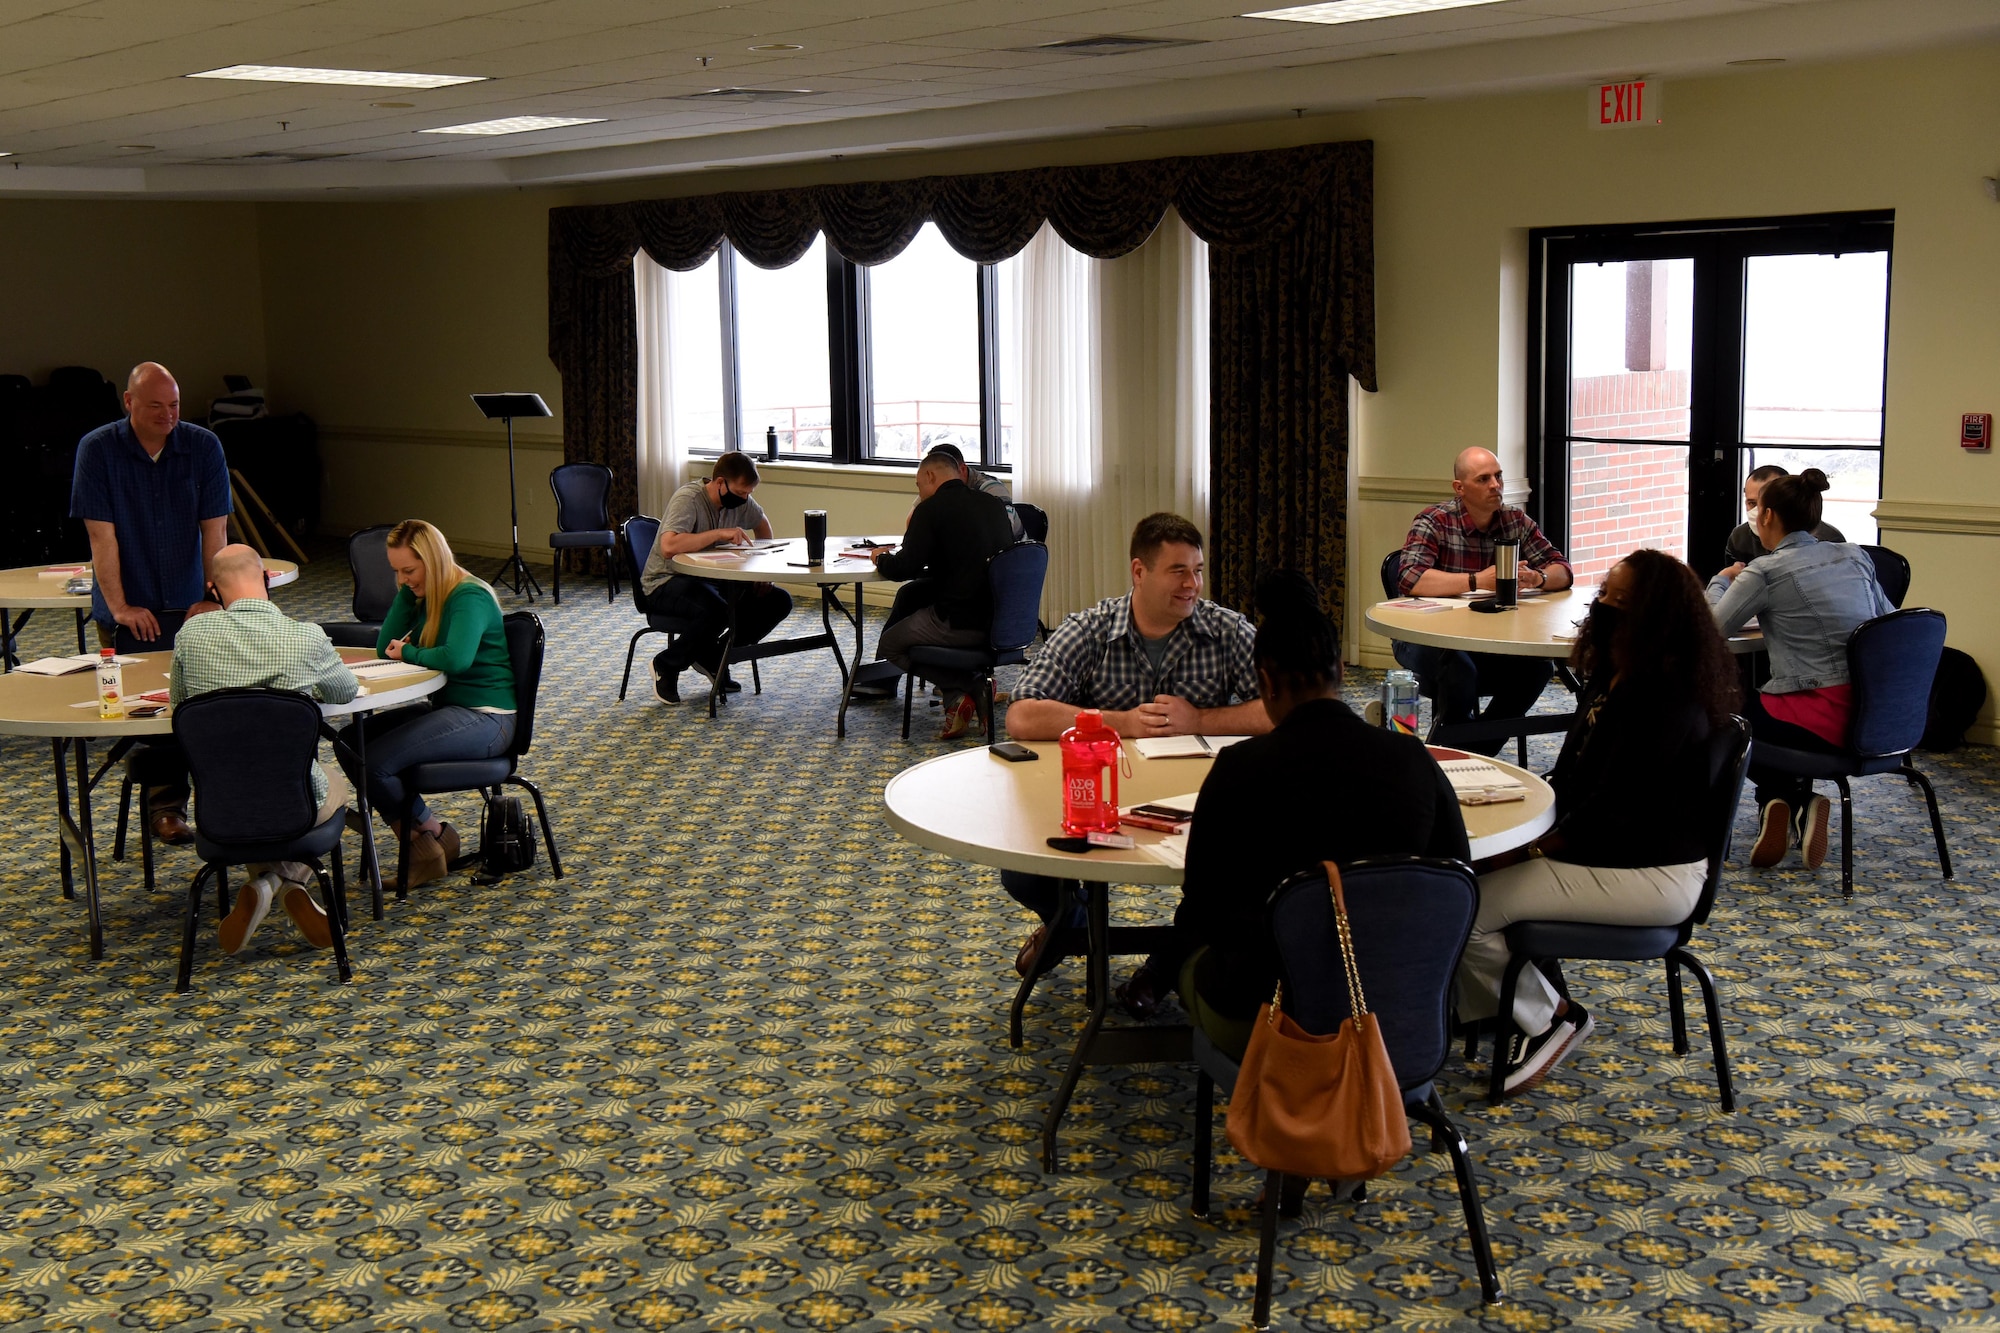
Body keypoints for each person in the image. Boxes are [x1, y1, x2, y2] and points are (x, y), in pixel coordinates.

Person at [1464, 549, 1738, 1097]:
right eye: (1604, 595)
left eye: (1617, 600)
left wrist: (1528, 849)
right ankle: (1492, 1012)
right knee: (1468, 883)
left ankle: (1548, 1020)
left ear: (1651, 616)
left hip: (1653, 871)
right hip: (1613, 848)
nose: (1603, 607)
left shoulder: (1663, 696)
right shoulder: (1620, 675)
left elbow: (1614, 808)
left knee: (1463, 908)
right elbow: (1579, 783)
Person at [1170, 570, 1470, 1060]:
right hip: (1401, 1001)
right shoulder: (1412, 759)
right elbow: (1455, 875)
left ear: (1264, 681)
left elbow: (1205, 905)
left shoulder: (1240, 771)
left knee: (1188, 953)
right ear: (1341, 669)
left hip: (1273, 1010)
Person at [1002, 512, 1269, 1009]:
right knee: (1022, 868)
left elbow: (1277, 711)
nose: (1193, 585)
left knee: (1237, 871)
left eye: (1198, 570)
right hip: (1100, 796)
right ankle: (1073, 923)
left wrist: (1200, 720)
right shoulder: (1090, 628)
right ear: (1139, 572)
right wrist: (1118, 721)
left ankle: (1163, 964)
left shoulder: (1226, 629)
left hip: (1197, 799)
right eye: (1178, 572)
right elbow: (1022, 715)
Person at [69, 362, 232, 846]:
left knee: (202, 701)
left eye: (175, 405)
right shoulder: (98, 449)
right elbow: (102, 538)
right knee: (148, 709)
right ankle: (167, 807)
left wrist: (210, 595)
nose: (168, 415)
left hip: (190, 602)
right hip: (131, 600)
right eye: (156, 406)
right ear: (129, 403)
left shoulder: (202, 446)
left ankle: (225, 804)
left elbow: (215, 532)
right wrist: (120, 607)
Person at [170, 545, 358, 955]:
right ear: (268, 579)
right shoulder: (304, 636)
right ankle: (283, 883)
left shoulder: (191, 636)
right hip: (294, 804)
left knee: (252, 788)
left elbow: (180, 708)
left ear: (212, 589)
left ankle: (267, 882)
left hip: (218, 806)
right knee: (332, 781)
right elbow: (344, 691)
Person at [1708, 468, 1892, 870]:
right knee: (1754, 704)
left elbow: (1713, 631)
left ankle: (1789, 800)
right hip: (1876, 713)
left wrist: (1720, 581)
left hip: (1818, 715)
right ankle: (1793, 804)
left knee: (1715, 714)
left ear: (1768, 516)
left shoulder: (1765, 571)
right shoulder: (1855, 555)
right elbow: (1891, 623)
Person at [340, 520, 516, 889]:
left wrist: (411, 652)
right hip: (451, 711)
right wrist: (407, 594)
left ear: (434, 561)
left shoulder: (469, 597)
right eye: (396, 572)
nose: (402, 578)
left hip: (487, 718)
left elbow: (456, 659)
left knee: (375, 764)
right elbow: (383, 645)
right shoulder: (425, 595)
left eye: (409, 570)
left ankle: (422, 851)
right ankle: (433, 835)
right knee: (349, 743)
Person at [1393, 446, 1574, 756]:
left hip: (1487, 639)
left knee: (1538, 669)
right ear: (1459, 488)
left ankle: (1472, 752)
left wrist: (1538, 578)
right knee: (1459, 669)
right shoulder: (1434, 521)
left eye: (1499, 476)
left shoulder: (1514, 520)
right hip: (1425, 637)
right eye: (1484, 479)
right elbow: (1410, 578)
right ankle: (1459, 754)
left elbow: (1563, 570)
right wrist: (1477, 580)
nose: (1496, 485)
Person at [871, 453, 1017, 738]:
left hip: (957, 622)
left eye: (918, 485)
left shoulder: (931, 510)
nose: (919, 493)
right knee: (916, 598)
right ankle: (963, 694)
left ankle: (968, 686)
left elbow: (904, 568)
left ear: (930, 477)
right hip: (1001, 622)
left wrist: (881, 558)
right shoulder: (994, 505)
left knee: (891, 645)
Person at [636, 452, 793, 704]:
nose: (746, 498)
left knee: (778, 601)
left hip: (712, 580)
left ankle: (715, 656)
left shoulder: (740, 500)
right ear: (721, 483)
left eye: (749, 493)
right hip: (666, 581)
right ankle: (666, 664)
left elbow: (762, 524)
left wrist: (762, 569)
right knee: (717, 610)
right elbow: (668, 545)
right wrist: (718, 533)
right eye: (742, 492)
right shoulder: (689, 499)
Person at [1723, 464, 1847, 567]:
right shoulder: (1739, 538)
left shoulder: (1830, 540)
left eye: (1764, 503)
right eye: (1751, 503)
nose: (1758, 511)